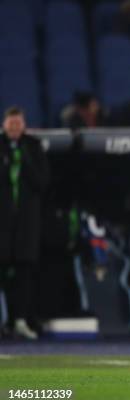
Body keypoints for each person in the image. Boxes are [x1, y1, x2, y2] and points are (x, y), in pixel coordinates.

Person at [0, 107, 50, 339]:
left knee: (24, 273)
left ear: (24, 125)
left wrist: (24, 161)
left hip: (26, 225)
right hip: (2, 223)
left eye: (18, 124)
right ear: (4, 125)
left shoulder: (32, 147)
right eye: (11, 124)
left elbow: (43, 183)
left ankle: (20, 320)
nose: (14, 129)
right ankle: (5, 320)